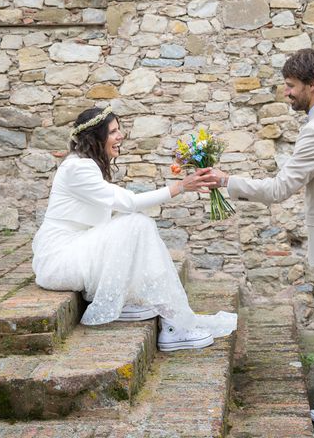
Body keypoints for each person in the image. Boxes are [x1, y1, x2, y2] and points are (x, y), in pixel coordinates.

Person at [208, 49, 314, 427]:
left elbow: (279, 188)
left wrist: (225, 181)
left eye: (290, 86)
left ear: (311, 85)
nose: (286, 93)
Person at [32, 106, 237, 352]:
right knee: (138, 223)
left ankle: (152, 311)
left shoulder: (86, 165)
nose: (121, 136)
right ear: (96, 137)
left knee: (138, 226)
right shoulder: (78, 168)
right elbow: (128, 203)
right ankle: (174, 325)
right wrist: (180, 187)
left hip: (76, 249)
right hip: (60, 260)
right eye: (113, 132)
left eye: (119, 130)